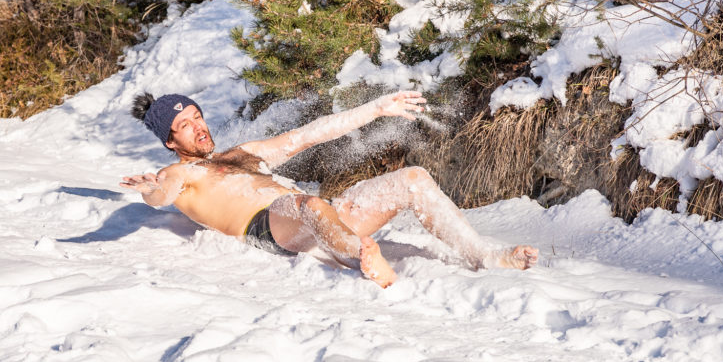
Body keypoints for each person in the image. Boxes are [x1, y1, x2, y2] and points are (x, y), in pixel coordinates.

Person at [121, 90, 538, 287]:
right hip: (271, 226)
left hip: (319, 214)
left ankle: (483, 255)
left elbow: (307, 135)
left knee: (413, 179)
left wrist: (377, 109)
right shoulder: (181, 174)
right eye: (184, 126)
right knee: (303, 202)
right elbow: (163, 193)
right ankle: (360, 257)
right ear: (170, 142)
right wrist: (150, 189)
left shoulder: (240, 154)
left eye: (197, 116)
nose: (198, 127)